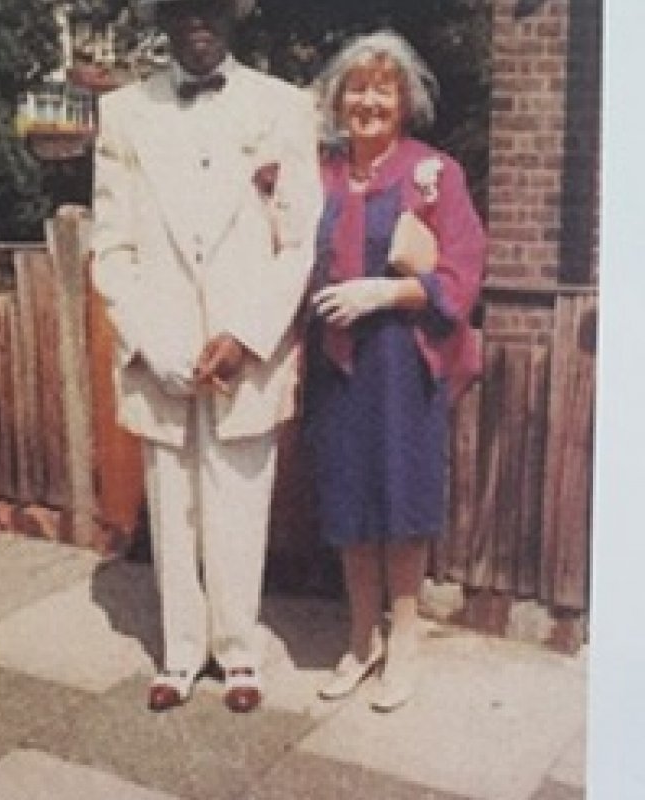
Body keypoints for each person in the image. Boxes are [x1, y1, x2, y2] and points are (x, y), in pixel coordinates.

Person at [90, 0, 322, 713]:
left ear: (233, 18)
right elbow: (111, 246)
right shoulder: (125, 112)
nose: (199, 21)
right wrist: (148, 339)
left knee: (239, 501)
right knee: (173, 504)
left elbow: (298, 240)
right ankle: (181, 652)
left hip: (243, 351)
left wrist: (249, 336)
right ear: (165, 18)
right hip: (162, 346)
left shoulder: (284, 106)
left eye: (212, 8)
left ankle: (239, 654)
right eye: (185, 8)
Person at [305, 31, 486, 711]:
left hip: (401, 361)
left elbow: (463, 272)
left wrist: (385, 293)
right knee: (349, 502)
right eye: (357, 87)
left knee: (401, 504)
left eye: (384, 88)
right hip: (335, 365)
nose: (369, 99)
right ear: (338, 99)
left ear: (405, 102)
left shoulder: (432, 173)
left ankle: (403, 641)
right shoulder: (316, 174)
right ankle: (361, 640)